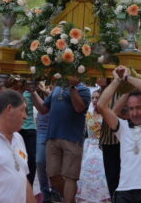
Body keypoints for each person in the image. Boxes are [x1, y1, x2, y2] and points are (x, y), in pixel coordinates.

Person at [98, 66, 141, 203]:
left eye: (139, 108)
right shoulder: (122, 128)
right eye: (131, 109)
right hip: (123, 191)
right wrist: (117, 80)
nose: (135, 113)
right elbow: (101, 106)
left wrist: (128, 78)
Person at [31, 75, 91, 203]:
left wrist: (73, 87)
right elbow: (43, 109)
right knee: (52, 175)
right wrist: (32, 92)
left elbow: (79, 108)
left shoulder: (84, 90)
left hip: (73, 138)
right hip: (52, 137)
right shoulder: (57, 88)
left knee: (70, 177)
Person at [76, 89, 111, 202]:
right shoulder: (88, 114)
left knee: (102, 174)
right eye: (93, 98)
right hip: (88, 148)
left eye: (97, 98)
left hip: (102, 148)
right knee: (85, 175)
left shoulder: (108, 113)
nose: (95, 100)